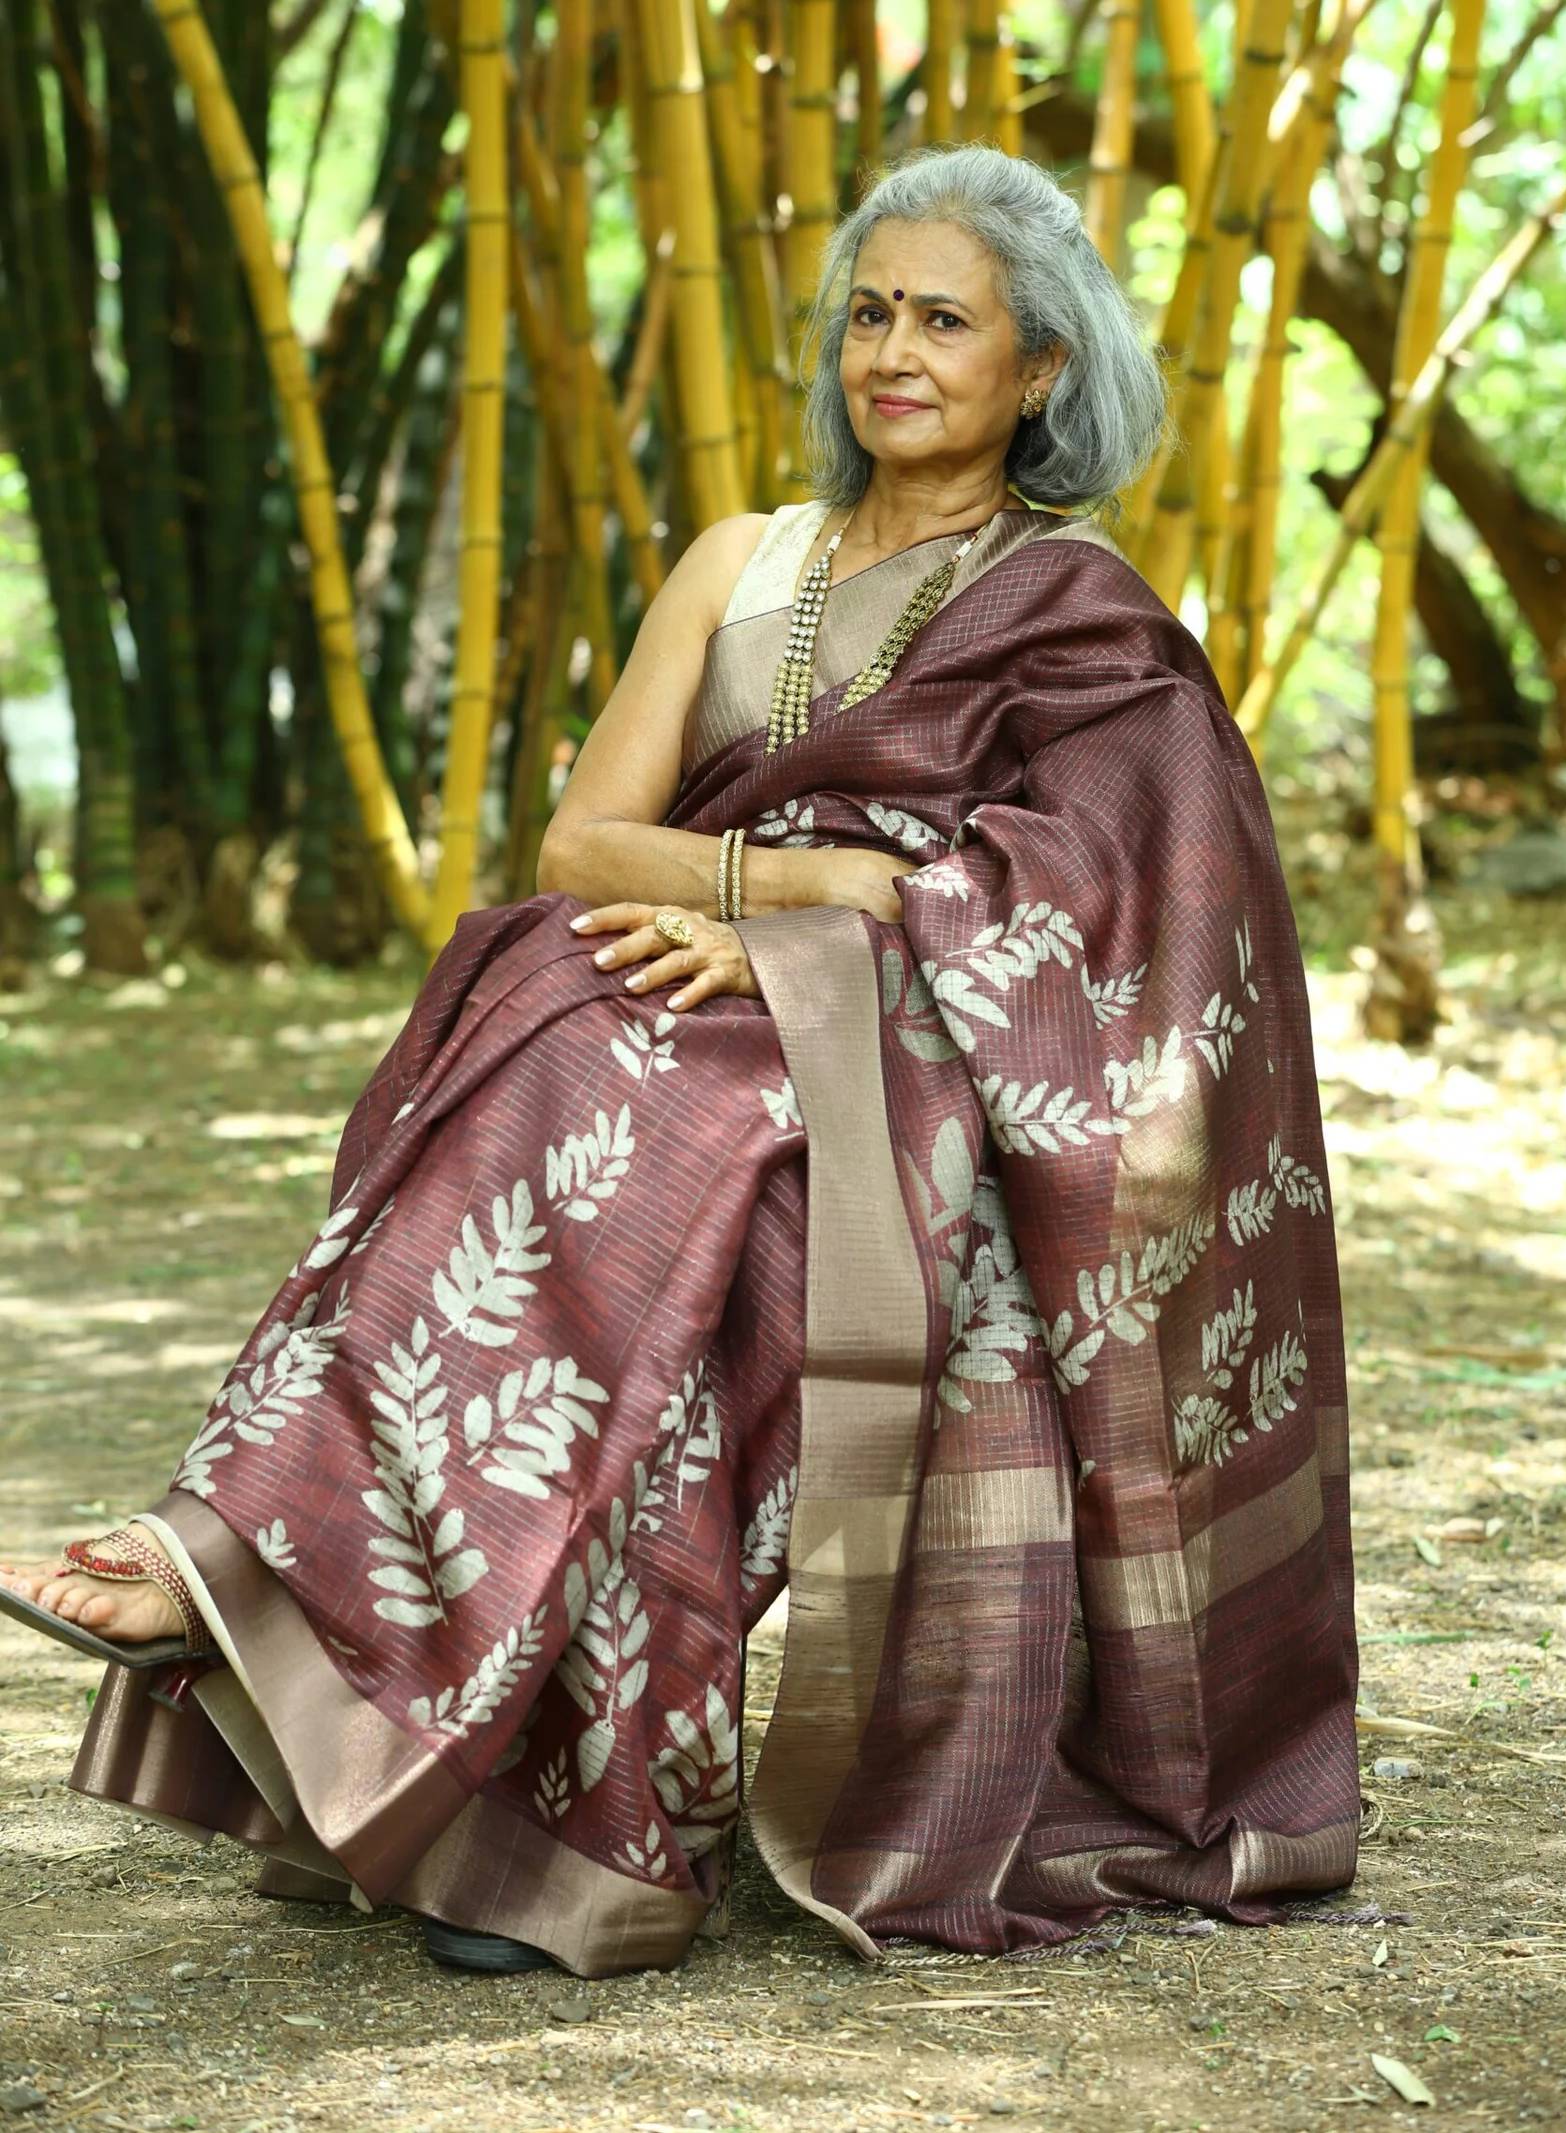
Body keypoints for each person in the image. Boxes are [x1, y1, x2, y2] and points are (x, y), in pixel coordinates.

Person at [0, 143, 1361, 1979]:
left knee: (694, 1149)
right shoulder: (749, 562)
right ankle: (378, 1668)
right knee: (560, 1032)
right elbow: (586, 845)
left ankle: (323, 1621)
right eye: (868, 312)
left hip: (912, 1071)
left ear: (1040, 368)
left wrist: (806, 948)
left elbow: (1132, 918)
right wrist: (800, 890)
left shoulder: (1085, 612)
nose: (892, 350)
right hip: (681, 1007)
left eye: (943, 320)